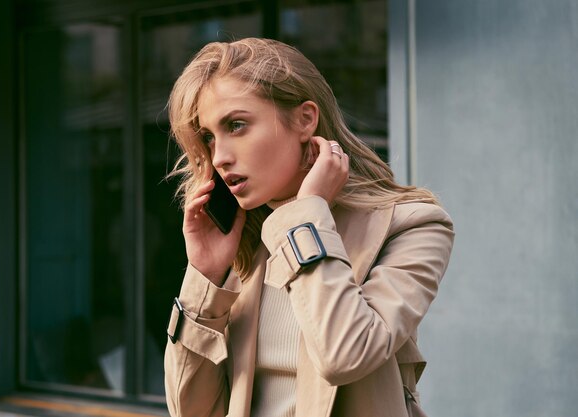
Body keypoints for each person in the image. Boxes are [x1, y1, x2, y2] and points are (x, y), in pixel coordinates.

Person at [163, 37, 454, 417]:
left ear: (305, 119)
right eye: (208, 137)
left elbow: (346, 355)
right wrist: (204, 275)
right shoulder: (244, 244)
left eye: (236, 125)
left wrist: (307, 215)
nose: (219, 157)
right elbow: (190, 411)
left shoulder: (411, 225)